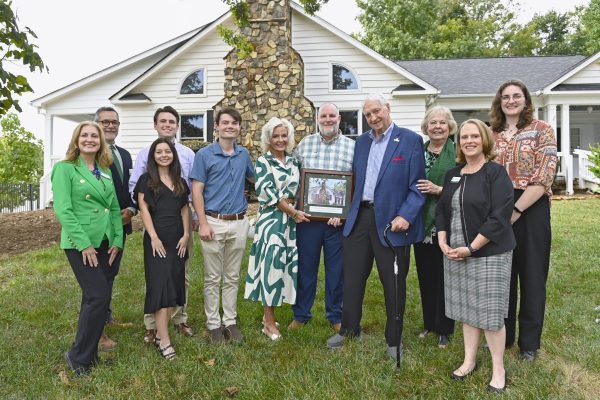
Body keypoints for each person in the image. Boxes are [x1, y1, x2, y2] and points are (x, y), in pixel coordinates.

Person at [326, 94, 426, 361]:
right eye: (368, 114)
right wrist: (340, 210)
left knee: (393, 283)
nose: (373, 118)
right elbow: (353, 182)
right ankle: (349, 328)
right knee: (352, 279)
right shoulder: (361, 143)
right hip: (360, 219)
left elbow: (417, 186)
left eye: (376, 111)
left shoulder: (410, 140)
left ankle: (394, 340)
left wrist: (406, 215)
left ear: (387, 108)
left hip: (392, 224)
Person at [436, 119, 514, 393]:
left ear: (484, 141)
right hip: (456, 252)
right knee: (467, 309)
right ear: (458, 143)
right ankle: (469, 360)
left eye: (474, 136)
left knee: (490, 314)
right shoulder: (453, 174)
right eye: (464, 137)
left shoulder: (496, 173)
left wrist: (472, 247)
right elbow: (443, 211)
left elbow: (499, 217)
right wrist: (443, 242)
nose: (469, 141)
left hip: (489, 252)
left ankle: (498, 368)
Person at [491, 80, 558, 361]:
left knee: (531, 275)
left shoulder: (542, 130)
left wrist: (516, 210)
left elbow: (544, 176)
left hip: (531, 207)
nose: (511, 100)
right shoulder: (490, 133)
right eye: (505, 96)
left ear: (526, 100)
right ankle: (503, 337)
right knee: (502, 276)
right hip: (497, 208)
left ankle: (529, 344)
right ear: (499, 102)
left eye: (516, 96)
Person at [52, 121, 123, 376]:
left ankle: (88, 355)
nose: (90, 139)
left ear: (101, 141)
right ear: (76, 140)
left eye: (95, 136)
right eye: (85, 135)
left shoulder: (104, 170)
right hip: (80, 243)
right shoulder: (65, 169)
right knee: (98, 296)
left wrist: (117, 240)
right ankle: (78, 357)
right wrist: (84, 245)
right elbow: (63, 210)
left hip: (105, 242)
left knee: (92, 298)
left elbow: (114, 208)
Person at [129, 106, 197, 343]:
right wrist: (153, 232)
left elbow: (187, 198)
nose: (167, 125)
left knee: (181, 275)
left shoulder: (188, 155)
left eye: (172, 121)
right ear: (155, 125)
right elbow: (138, 194)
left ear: (177, 126)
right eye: (163, 121)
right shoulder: (144, 157)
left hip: (181, 229)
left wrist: (189, 228)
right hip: (157, 229)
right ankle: (153, 326)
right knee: (157, 278)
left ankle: (179, 319)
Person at [190, 107, 254, 343]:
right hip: (213, 222)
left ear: (239, 127)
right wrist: (203, 223)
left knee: (232, 276)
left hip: (238, 222)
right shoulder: (204, 155)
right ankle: (213, 324)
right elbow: (196, 190)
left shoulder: (243, 155)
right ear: (216, 126)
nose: (230, 126)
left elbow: (255, 179)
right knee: (212, 277)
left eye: (234, 123)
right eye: (225, 122)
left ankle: (230, 321)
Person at [290, 103, 354, 332]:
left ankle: (336, 315)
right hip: (308, 221)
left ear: (339, 118)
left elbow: (355, 184)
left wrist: (345, 215)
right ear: (317, 119)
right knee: (306, 268)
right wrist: (295, 208)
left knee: (336, 271)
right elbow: (295, 178)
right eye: (323, 116)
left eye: (332, 115)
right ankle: (301, 314)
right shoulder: (305, 144)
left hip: (337, 224)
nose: (328, 119)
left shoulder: (351, 147)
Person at [244, 117, 310, 340]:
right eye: (276, 136)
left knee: (284, 268)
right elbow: (269, 194)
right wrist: (293, 212)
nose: (280, 140)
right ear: (268, 139)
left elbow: (302, 190)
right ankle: (269, 323)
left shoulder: (294, 161)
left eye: (284, 135)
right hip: (272, 221)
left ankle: (269, 317)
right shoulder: (263, 162)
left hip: (291, 223)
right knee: (270, 269)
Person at [135, 138, 190, 360]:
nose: (164, 155)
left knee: (173, 287)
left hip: (178, 240)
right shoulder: (145, 180)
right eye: (159, 152)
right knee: (161, 288)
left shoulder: (179, 181)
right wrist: (154, 237)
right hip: (157, 242)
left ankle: (160, 334)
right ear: (153, 156)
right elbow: (144, 210)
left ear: (173, 155)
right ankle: (164, 341)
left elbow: (184, 209)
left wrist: (186, 235)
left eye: (168, 151)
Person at [414, 106, 457, 348]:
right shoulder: (418, 151)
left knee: (445, 278)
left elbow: (467, 184)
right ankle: (429, 324)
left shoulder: (457, 152)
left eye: (442, 122)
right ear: (426, 127)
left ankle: (444, 328)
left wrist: (439, 190)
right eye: (433, 123)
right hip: (420, 223)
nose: (437, 126)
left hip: (447, 224)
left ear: (450, 126)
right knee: (425, 276)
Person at [93, 106, 135, 352]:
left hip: (121, 225)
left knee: (110, 274)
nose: (110, 126)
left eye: (114, 122)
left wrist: (131, 209)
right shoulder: (90, 154)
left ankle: (106, 317)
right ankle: (97, 332)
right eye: (105, 122)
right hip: (98, 228)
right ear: (96, 124)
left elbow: (128, 188)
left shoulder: (125, 155)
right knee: (97, 280)